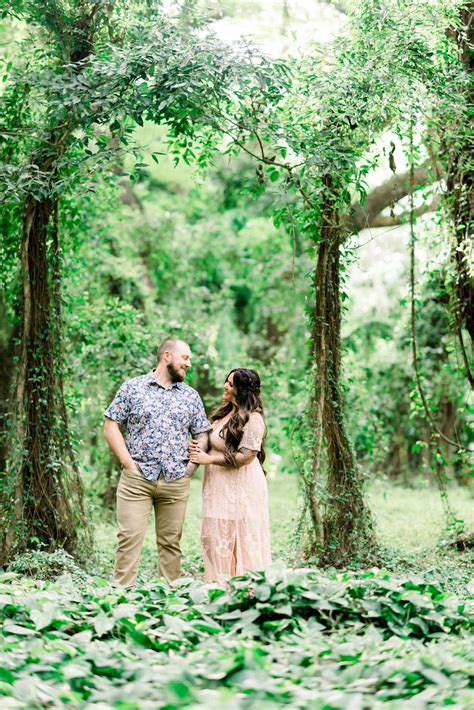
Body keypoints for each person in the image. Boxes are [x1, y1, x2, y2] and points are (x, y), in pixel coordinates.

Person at [104, 338, 211, 586]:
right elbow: (111, 425)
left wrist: (190, 468)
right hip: (136, 480)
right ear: (166, 356)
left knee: (171, 542)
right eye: (185, 358)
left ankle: (170, 597)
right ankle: (121, 595)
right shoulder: (133, 388)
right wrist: (129, 464)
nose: (189, 364)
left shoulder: (190, 396)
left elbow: (202, 433)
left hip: (176, 480)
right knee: (129, 538)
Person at [189, 368, 271, 583]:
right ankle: (219, 584)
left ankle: (242, 587)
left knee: (235, 539)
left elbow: (245, 457)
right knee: (212, 537)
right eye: (226, 381)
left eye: (231, 384)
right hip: (218, 485)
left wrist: (210, 460)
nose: (225, 386)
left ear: (242, 390)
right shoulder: (225, 413)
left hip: (240, 486)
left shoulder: (253, 419)